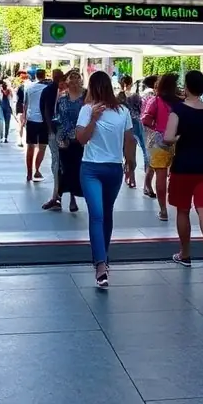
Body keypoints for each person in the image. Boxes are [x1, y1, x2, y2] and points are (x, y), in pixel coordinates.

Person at [77, 71, 137, 288]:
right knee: (98, 214)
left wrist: (129, 164)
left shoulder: (122, 111)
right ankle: (100, 264)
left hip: (110, 169)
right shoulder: (88, 110)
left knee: (105, 213)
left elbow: (129, 139)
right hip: (93, 168)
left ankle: (103, 255)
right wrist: (93, 119)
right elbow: (82, 139)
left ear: (92, 87)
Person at [164, 70, 203, 282]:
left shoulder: (178, 110)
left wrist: (181, 137)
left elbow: (168, 137)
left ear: (187, 87)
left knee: (182, 210)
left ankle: (185, 253)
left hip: (183, 167)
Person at [142, 72, 179, 222]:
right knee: (176, 175)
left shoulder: (155, 101)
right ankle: (179, 205)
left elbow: (145, 119)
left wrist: (157, 128)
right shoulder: (180, 103)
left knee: (161, 176)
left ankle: (163, 210)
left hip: (159, 141)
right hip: (177, 140)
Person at [55, 68, 86, 212]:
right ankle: (67, 198)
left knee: (78, 168)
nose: (74, 81)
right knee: (65, 168)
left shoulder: (86, 98)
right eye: (71, 78)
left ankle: (73, 195)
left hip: (80, 138)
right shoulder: (62, 98)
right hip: (64, 138)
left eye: (77, 78)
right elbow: (58, 117)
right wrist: (60, 135)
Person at [41, 69, 66, 210]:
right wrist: (50, 129)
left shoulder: (68, 95)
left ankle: (61, 196)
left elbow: (45, 110)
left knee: (61, 163)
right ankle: (57, 195)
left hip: (64, 133)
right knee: (57, 162)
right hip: (56, 131)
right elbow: (46, 110)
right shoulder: (50, 91)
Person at [119, 74, 147, 187]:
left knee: (125, 152)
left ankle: (128, 175)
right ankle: (132, 177)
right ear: (130, 83)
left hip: (123, 124)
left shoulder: (118, 96)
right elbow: (141, 109)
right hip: (135, 124)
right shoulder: (135, 96)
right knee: (134, 152)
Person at [0, 77, 13, 143]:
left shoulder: (6, 89)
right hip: (3, 105)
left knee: (5, 122)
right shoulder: (0, 88)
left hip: (4, 105)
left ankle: (4, 137)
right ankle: (3, 137)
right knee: (5, 122)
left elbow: (9, 95)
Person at [15, 75, 27, 147]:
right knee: (25, 124)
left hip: (20, 106)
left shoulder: (20, 87)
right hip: (27, 106)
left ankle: (20, 140)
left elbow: (17, 97)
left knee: (20, 124)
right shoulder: (31, 87)